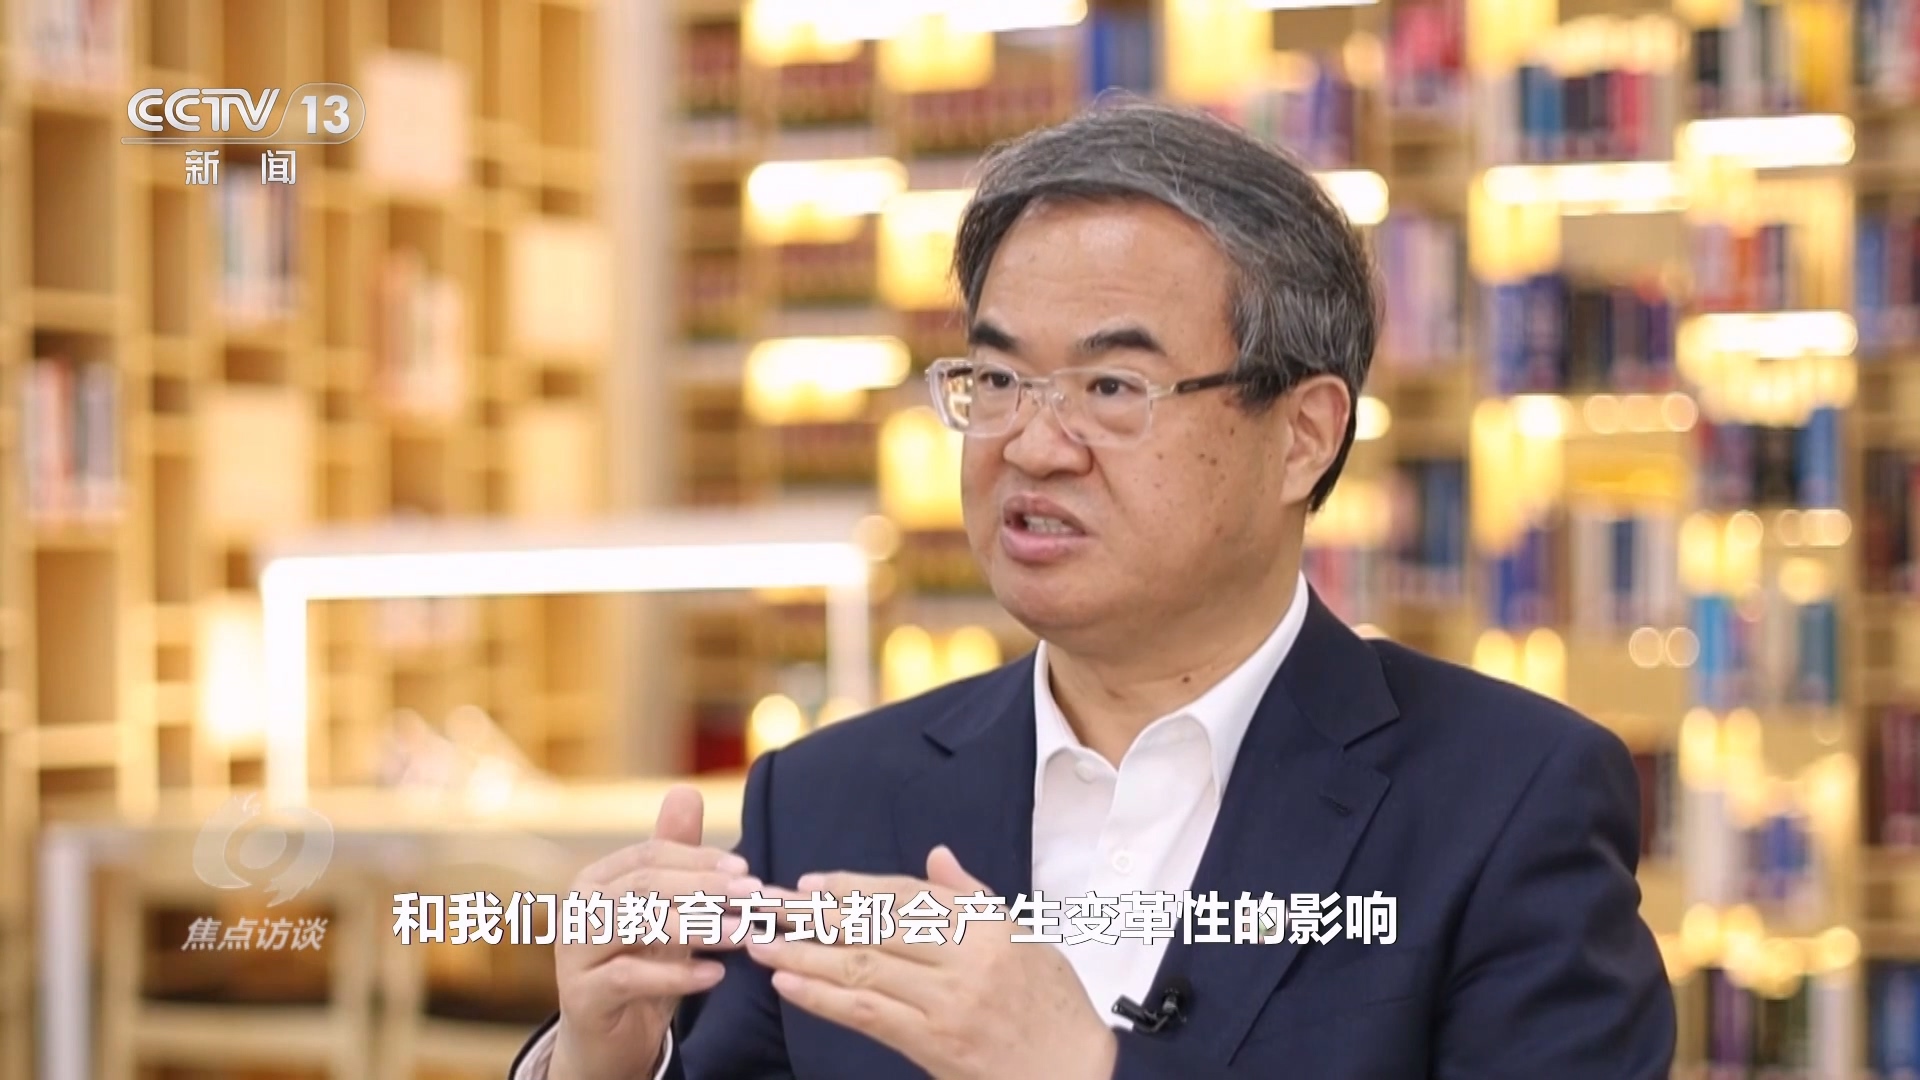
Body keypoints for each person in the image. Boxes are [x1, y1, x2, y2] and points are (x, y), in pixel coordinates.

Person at [511, 99, 1676, 1079]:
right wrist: (603, 1058)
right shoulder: (823, 803)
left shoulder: (1507, 802)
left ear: (1304, 437)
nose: (1032, 443)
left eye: (1112, 387)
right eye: (997, 378)